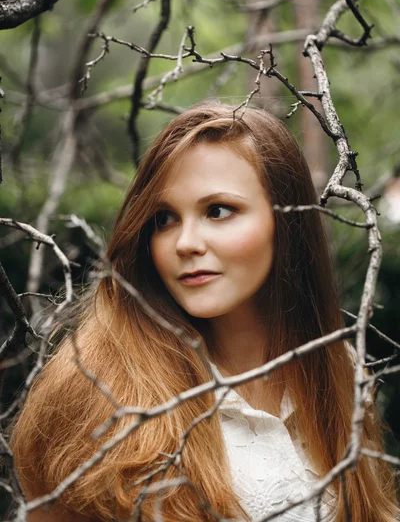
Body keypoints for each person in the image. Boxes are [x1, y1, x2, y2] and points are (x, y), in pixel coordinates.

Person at [10, 102, 399, 522]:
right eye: (164, 218)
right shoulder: (94, 393)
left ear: (288, 222)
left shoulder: (339, 373)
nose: (185, 243)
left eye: (217, 210)